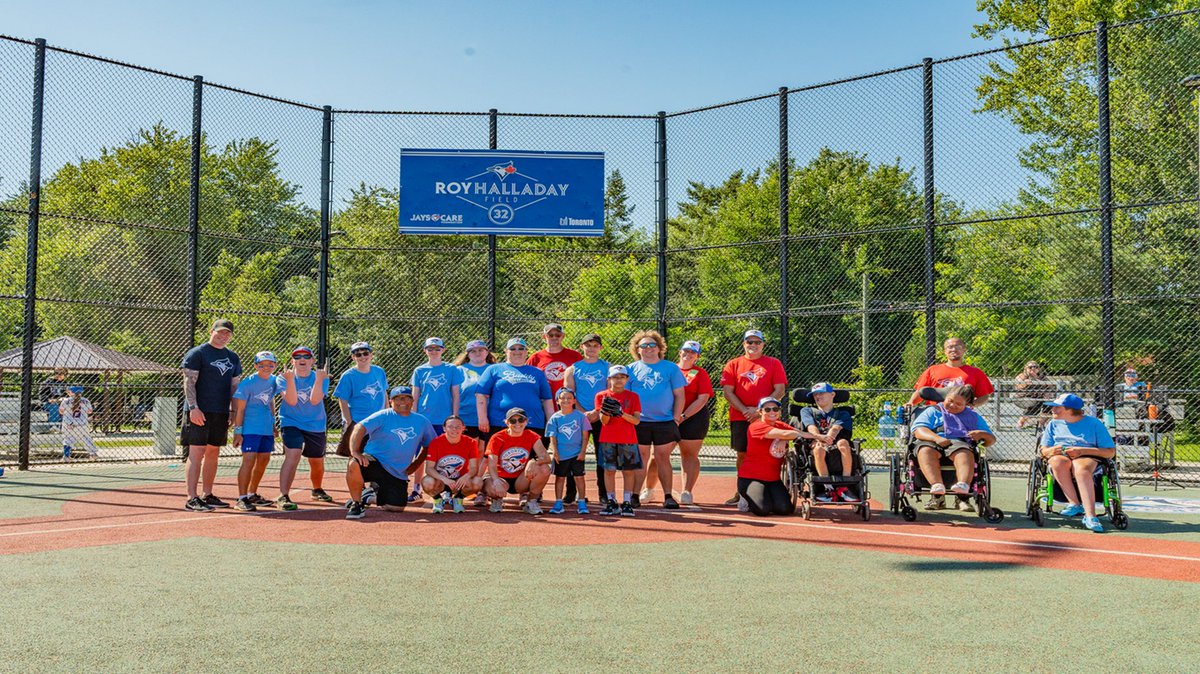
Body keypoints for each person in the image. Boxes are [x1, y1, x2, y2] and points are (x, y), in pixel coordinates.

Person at [344, 386, 436, 520]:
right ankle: (357, 504)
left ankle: (368, 497)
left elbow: (430, 446)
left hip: (398, 472)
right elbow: (360, 427)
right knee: (354, 463)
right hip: (375, 462)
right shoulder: (384, 415)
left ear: (413, 401)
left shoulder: (422, 421)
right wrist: (355, 452)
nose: (403, 401)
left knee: (396, 508)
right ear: (391, 401)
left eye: (407, 397)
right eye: (398, 398)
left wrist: (416, 464)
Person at [181, 319, 243, 512]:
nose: (223, 336)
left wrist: (233, 411)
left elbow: (235, 387)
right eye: (220, 332)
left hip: (220, 411)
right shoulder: (197, 353)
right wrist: (193, 407)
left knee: (213, 453)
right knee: (196, 452)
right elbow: (189, 382)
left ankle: (207, 494)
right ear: (212, 331)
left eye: (227, 334)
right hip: (199, 410)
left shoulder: (233, 357)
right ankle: (192, 497)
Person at [720, 329, 787, 506]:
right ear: (744, 344)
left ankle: (770, 488)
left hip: (767, 417)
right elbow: (728, 392)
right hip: (740, 417)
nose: (753, 345)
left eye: (757, 342)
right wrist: (745, 411)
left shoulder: (773, 363)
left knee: (771, 453)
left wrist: (759, 411)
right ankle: (741, 492)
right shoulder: (733, 364)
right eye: (749, 342)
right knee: (743, 454)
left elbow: (779, 390)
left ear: (763, 344)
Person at [910, 385, 996, 511]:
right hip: (932, 440)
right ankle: (937, 485)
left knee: (964, 452)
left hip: (959, 442)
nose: (952, 405)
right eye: (949, 400)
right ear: (945, 397)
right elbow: (918, 430)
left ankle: (963, 485)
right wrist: (936, 438)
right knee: (925, 450)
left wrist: (982, 434)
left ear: (967, 404)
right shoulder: (933, 410)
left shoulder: (973, 416)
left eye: (958, 404)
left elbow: (991, 440)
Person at [1039, 393, 1116, 533]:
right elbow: (1043, 450)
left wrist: (1081, 451)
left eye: (1057, 407)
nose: (1053, 410)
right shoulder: (1052, 424)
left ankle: (1091, 516)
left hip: (1088, 455)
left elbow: (1110, 452)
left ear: (1070, 409)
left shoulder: (1094, 423)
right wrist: (1051, 450)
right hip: (1061, 455)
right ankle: (1074, 504)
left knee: (1080, 467)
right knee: (1056, 462)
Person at [626, 330, 686, 509]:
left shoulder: (670, 368)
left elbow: (679, 395)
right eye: (643, 345)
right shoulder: (631, 369)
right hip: (639, 422)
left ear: (659, 348)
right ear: (637, 349)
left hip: (665, 421)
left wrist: (675, 418)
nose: (648, 348)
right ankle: (635, 495)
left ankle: (668, 496)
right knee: (641, 458)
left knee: (662, 457)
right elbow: (627, 397)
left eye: (652, 345)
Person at [528, 323, 583, 502]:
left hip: (567, 411)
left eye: (557, 335)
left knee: (569, 449)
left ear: (562, 336)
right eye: (550, 335)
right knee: (539, 450)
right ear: (544, 337)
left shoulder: (574, 356)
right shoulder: (536, 357)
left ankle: (571, 491)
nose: (554, 338)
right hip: (543, 411)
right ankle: (536, 490)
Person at [276, 346, 331, 508]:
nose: (302, 359)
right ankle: (283, 496)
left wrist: (320, 379)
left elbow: (315, 400)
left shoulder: (321, 377)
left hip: (315, 424)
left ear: (312, 361)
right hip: (291, 421)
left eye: (306, 357)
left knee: (316, 461)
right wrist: (290, 379)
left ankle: (317, 489)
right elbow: (292, 401)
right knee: (293, 454)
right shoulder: (283, 378)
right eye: (297, 356)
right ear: (292, 361)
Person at [410, 336, 464, 502]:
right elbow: (415, 395)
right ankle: (416, 488)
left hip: (444, 420)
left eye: (437, 348)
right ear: (425, 351)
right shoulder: (420, 371)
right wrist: (413, 417)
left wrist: (454, 418)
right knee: (419, 455)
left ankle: (447, 490)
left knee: (445, 455)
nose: (434, 351)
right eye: (430, 348)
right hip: (424, 419)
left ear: (443, 350)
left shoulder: (451, 369)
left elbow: (455, 395)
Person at [231, 351, 282, 512]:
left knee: (264, 459)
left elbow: (271, 402)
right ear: (255, 366)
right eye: (261, 365)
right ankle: (242, 498)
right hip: (250, 429)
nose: (266, 368)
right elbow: (240, 410)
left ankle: (252, 493)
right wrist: (238, 432)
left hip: (266, 429)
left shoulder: (274, 381)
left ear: (275, 365)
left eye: (270, 365)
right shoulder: (248, 383)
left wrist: (273, 424)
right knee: (249, 460)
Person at [589, 364, 642, 517]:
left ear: (627, 379)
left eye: (621, 377)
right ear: (609, 379)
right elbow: (604, 421)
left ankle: (626, 502)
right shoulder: (601, 396)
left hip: (628, 438)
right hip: (608, 438)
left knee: (628, 471)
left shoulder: (633, 397)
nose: (618, 380)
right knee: (609, 470)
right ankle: (611, 501)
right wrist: (607, 412)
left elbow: (636, 421)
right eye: (615, 377)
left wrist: (620, 413)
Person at [474, 337, 554, 439]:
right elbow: (481, 395)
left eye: (521, 348)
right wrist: (482, 418)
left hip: (533, 423)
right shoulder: (494, 369)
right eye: (513, 348)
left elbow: (546, 399)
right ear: (506, 351)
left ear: (526, 352)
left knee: (533, 455)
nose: (517, 351)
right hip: (500, 422)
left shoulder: (537, 372)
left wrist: (551, 422)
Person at [563, 333, 611, 503]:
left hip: (602, 418)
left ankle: (603, 494)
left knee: (602, 456)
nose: (591, 349)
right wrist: (583, 413)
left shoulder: (607, 367)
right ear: (582, 347)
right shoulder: (573, 369)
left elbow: (610, 393)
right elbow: (569, 395)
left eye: (595, 345)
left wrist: (597, 412)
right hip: (578, 417)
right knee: (574, 455)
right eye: (588, 345)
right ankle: (571, 492)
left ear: (600, 348)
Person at [483, 407, 552, 515]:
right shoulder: (497, 437)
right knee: (493, 488)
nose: (517, 423)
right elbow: (491, 464)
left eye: (521, 420)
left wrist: (533, 461)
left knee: (544, 469)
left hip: (520, 479)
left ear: (526, 422)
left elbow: (546, 457)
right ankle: (496, 499)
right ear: (506, 422)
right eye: (512, 421)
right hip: (500, 477)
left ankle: (531, 501)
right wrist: (496, 481)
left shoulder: (532, 436)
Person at [739, 397, 799, 517]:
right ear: (760, 412)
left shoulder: (781, 425)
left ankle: (767, 496)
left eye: (775, 409)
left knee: (785, 509)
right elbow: (789, 433)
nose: (772, 412)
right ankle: (746, 497)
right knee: (762, 510)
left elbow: (796, 433)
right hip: (751, 478)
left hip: (773, 479)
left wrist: (821, 437)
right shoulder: (756, 426)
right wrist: (785, 436)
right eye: (767, 409)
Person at [454, 339, 495, 506]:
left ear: (487, 352)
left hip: (487, 418)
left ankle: (480, 489)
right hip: (466, 417)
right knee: (467, 454)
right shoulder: (458, 371)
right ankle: (462, 488)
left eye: (481, 350)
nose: (477, 353)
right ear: (467, 354)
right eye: (473, 351)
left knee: (484, 454)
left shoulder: (494, 370)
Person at [799, 382, 855, 502]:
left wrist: (828, 438)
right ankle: (828, 488)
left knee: (843, 443)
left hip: (835, 442)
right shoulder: (807, 411)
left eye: (821, 393)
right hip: (817, 442)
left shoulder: (843, 413)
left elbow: (835, 428)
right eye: (815, 395)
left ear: (832, 394)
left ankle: (844, 486)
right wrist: (819, 438)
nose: (818, 397)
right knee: (818, 448)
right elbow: (811, 427)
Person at [672, 340, 712, 505]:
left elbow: (703, 398)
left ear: (697, 356)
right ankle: (650, 489)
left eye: (693, 352)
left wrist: (683, 416)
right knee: (657, 455)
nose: (688, 354)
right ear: (680, 351)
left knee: (689, 455)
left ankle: (687, 492)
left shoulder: (700, 373)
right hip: (668, 417)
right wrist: (673, 416)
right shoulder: (670, 369)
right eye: (685, 351)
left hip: (693, 418)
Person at [333, 341, 388, 459]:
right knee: (354, 456)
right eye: (358, 355)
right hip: (358, 422)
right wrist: (349, 422)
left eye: (365, 353)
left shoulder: (379, 371)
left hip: (378, 421)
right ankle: (354, 478)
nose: (363, 357)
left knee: (376, 456)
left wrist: (387, 414)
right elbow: (342, 400)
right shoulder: (348, 375)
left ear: (371, 355)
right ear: (353, 357)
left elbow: (384, 393)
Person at [908, 337, 994, 408]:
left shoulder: (976, 372)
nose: (953, 349)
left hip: (960, 413)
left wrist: (971, 405)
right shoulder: (932, 370)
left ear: (964, 350)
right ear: (945, 351)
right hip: (935, 412)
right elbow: (920, 392)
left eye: (958, 347)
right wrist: (910, 403)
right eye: (950, 347)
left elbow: (984, 396)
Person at [421, 416, 483, 514]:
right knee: (427, 482)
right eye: (450, 426)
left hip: (459, 481)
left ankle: (458, 498)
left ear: (463, 428)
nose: (454, 429)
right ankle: (437, 500)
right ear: (444, 428)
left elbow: (474, 467)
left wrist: (466, 476)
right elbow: (429, 469)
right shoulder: (436, 442)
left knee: (477, 482)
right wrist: (444, 479)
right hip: (440, 480)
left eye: (458, 427)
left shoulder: (471, 442)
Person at [545, 388, 592, 514]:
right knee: (560, 478)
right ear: (558, 401)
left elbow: (585, 436)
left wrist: (583, 452)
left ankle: (581, 502)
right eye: (563, 398)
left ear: (574, 400)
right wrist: (555, 452)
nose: (566, 400)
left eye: (569, 398)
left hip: (577, 454)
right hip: (561, 455)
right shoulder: (555, 418)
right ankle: (558, 502)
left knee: (579, 478)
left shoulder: (581, 417)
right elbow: (552, 437)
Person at [59, 385, 98, 459]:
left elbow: (61, 411)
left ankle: (66, 456)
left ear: (71, 392)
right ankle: (93, 454)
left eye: (69, 391)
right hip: (82, 423)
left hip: (69, 423)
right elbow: (90, 411)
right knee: (86, 438)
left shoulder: (66, 400)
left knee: (68, 439)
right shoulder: (86, 400)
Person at [1014, 360, 1054, 428]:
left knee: (1048, 403)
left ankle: (1040, 424)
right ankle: (1021, 421)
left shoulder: (1041, 376)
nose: (1033, 369)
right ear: (1025, 368)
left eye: (1035, 367)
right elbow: (1018, 385)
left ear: (1038, 369)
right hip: (1021, 398)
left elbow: (1050, 385)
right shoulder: (1022, 376)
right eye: (1030, 367)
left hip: (1038, 399)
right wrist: (1025, 383)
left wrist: (1036, 379)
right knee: (1038, 402)